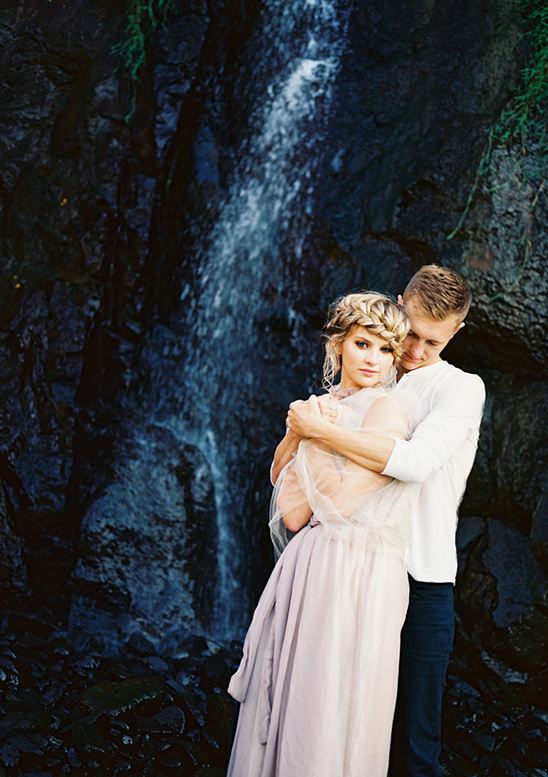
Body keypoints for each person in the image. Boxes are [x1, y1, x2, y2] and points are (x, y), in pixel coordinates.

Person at [281, 265, 486, 777]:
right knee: (333, 716)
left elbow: (413, 463)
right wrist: (299, 434)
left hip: (421, 580)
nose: (414, 352)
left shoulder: (460, 389)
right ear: (399, 307)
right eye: (410, 334)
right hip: (350, 571)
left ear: (456, 333)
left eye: (432, 342)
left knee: (414, 742)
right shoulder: (371, 368)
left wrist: (319, 434)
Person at [227, 292, 420, 777]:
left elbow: (340, 501)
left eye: (384, 349)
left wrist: (314, 434)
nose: (373, 359)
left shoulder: (389, 413)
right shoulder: (324, 407)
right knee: (300, 691)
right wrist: (297, 433)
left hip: (359, 570)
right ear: (337, 345)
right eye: (362, 344)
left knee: (334, 704)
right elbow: (291, 512)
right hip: (313, 563)